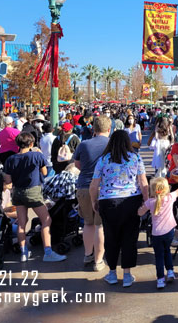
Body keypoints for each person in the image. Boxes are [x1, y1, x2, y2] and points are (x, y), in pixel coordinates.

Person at [90, 130, 149, 287]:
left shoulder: (103, 160)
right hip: (131, 200)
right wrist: (146, 200)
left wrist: (93, 201)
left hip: (108, 201)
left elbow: (94, 185)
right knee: (129, 238)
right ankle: (127, 275)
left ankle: (112, 273)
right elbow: (143, 182)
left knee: (111, 237)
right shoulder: (135, 158)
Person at [2, 132, 67, 262]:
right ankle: (48, 252)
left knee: (21, 223)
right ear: (31, 143)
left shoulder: (10, 159)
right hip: (33, 191)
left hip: (18, 192)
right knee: (46, 220)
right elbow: (44, 172)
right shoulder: (37, 155)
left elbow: (8, 180)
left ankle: (24, 252)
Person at [138, 174, 178, 289]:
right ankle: (170, 271)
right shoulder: (170, 198)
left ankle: (160, 279)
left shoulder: (150, 202)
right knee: (167, 251)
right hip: (169, 232)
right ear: (166, 189)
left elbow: (140, 213)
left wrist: (139, 207)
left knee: (159, 257)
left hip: (156, 234)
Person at [74, 115, 111, 272]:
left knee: (88, 223)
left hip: (83, 186)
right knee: (100, 225)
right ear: (109, 129)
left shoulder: (84, 144)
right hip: (104, 187)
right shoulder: (111, 144)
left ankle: (88, 254)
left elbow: (77, 164)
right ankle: (98, 260)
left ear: (93, 129)